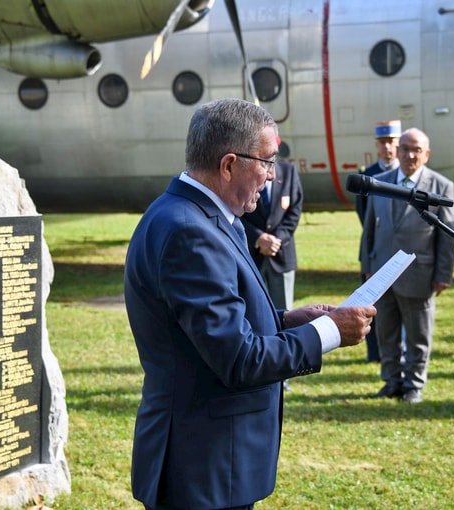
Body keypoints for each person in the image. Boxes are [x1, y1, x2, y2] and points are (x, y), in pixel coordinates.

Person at [124, 98, 376, 510]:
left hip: (213, 460)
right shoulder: (191, 232)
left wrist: (289, 319)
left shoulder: (200, 217)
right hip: (203, 466)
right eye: (267, 162)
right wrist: (330, 332)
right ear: (228, 165)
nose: (272, 176)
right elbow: (238, 358)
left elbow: (212, 325)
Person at [360, 127, 454, 404]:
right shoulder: (379, 182)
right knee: (386, 332)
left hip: (419, 273)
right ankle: (391, 381)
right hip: (381, 273)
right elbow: (369, 230)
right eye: (405, 148)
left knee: (418, 334)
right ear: (396, 151)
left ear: (426, 154)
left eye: (416, 150)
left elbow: (447, 237)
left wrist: (443, 274)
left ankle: (414, 384)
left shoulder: (441, 186)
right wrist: (367, 265)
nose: (409, 154)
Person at [356, 120, 401, 363]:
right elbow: (362, 211)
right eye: (383, 143)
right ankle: (375, 353)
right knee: (373, 304)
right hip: (377, 245)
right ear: (377, 145)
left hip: (402, 247)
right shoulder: (368, 174)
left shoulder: (405, 173)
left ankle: (400, 351)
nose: (387, 148)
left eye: (392, 142)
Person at [241, 153, 303, 311]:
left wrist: (275, 240)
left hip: (281, 254)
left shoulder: (288, 172)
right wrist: (258, 237)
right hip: (252, 254)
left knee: (284, 313)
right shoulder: (245, 173)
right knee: (254, 311)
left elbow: (294, 211)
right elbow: (236, 212)